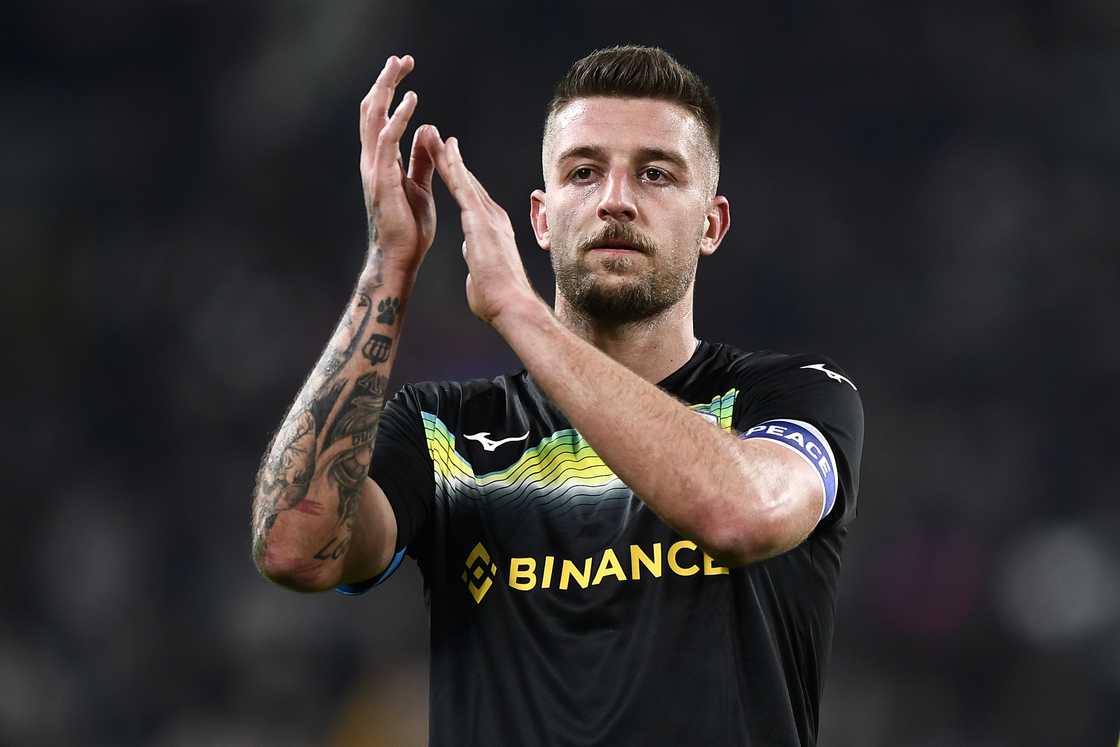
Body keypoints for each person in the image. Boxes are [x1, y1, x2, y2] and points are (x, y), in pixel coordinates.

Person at [251, 45, 864, 746]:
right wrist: (387, 265)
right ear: (541, 219)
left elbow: (741, 513)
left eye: (657, 174)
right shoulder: (443, 432)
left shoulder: (791, 397)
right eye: (583, 171)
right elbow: (296, 547)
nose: (616, 199)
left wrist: (520, 312)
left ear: (711, 224)